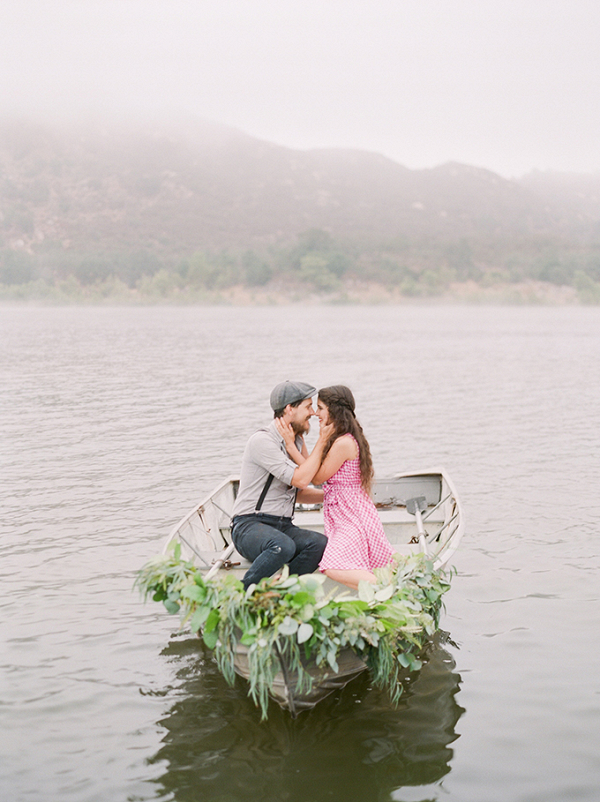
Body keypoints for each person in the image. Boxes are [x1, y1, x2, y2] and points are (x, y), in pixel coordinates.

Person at [276, 385, 394, 590]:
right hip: (344, 512)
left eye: (320, 408)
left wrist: (290, 447)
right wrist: (301, 440)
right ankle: (378, 589)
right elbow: (311, 463)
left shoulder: (343, 443)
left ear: (334, 410)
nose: (316, 413)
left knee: (332, 565)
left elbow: (317, 476)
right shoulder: (336, 438)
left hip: (352, 515)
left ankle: (388, 588)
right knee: (341, 562)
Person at [230, 380, 333, 589]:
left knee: (319, 544)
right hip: (248, 525)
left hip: (282, 526)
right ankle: (241, 594)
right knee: (282, 546)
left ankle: (282, 593)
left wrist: (332, 496)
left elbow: (301, 491)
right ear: (289, 409)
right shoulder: (263, 441)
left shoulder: (296, 441)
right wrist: (322, 439)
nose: (313, 413)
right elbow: (302, 478)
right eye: (308, 406)